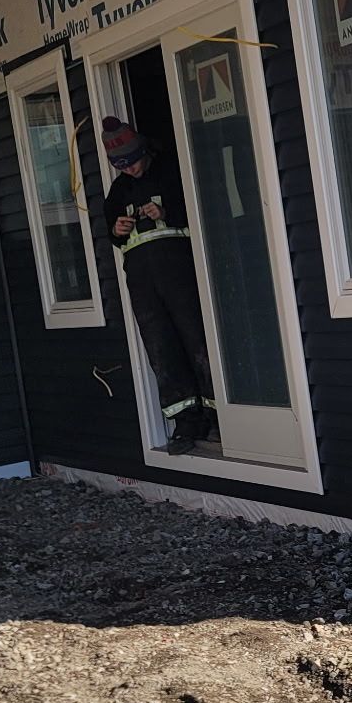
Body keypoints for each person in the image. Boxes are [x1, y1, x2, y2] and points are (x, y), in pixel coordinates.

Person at [100, 117, 215, 452]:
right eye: (121, 166)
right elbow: (111, 229)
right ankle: (186, 421)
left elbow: (200, 208)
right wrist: (117, 230)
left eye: (133, 162)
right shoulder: (119, 190)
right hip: (142, 281)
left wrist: (165, 211)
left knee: (198, 340)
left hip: (180, 272)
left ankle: (218, 414)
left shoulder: (171, 171)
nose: (130, 170)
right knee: (161, 349)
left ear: (144, 150)